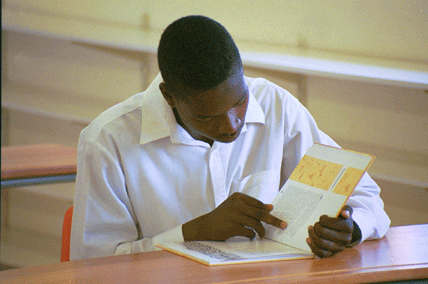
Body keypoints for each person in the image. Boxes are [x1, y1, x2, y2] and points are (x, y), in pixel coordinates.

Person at [70, 15, 390, 260]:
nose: (231, 125)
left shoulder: (277, 108)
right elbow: (93, 266)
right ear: (169, 96)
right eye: (206, 116)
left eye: (239, 102)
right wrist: (192, 233)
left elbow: (369, 199)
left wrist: (350, 229)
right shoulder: (108, 140)